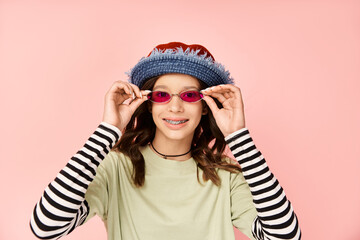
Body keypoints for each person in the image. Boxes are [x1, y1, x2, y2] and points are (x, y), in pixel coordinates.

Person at [30, 42, 301, 240]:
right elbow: (45, 226)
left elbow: (286, 236)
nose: (174, 108)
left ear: (205, 106)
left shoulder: (225, 176)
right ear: (148, 104)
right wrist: (108, 129)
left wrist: (239, 137)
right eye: (161, 96)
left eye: (189, 96)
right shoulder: (115, 167)